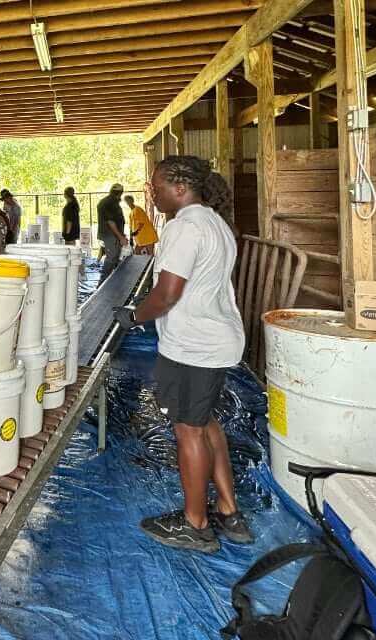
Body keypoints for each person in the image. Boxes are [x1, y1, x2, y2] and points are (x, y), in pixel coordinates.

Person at [116, 156, 250, 554]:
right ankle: (229, 509)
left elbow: (169, 293)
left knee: (188, 430)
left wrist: (135, 317)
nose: (151, 193)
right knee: (206, 423)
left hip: (194, 345)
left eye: (155, 187)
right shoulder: (214, 223)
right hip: (216, 340)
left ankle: (195, 523)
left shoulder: (184, 227)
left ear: (179, 188)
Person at [96, 183, 128, 283]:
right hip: (110, 235)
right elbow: (110, 221)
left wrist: (121, 235)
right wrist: (120, 236)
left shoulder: (110, 202)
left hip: (112, 235)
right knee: (112, 258)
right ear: (120, 193)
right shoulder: (110, 203)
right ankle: (102, 284)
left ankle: (111, 281)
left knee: (114, 257)